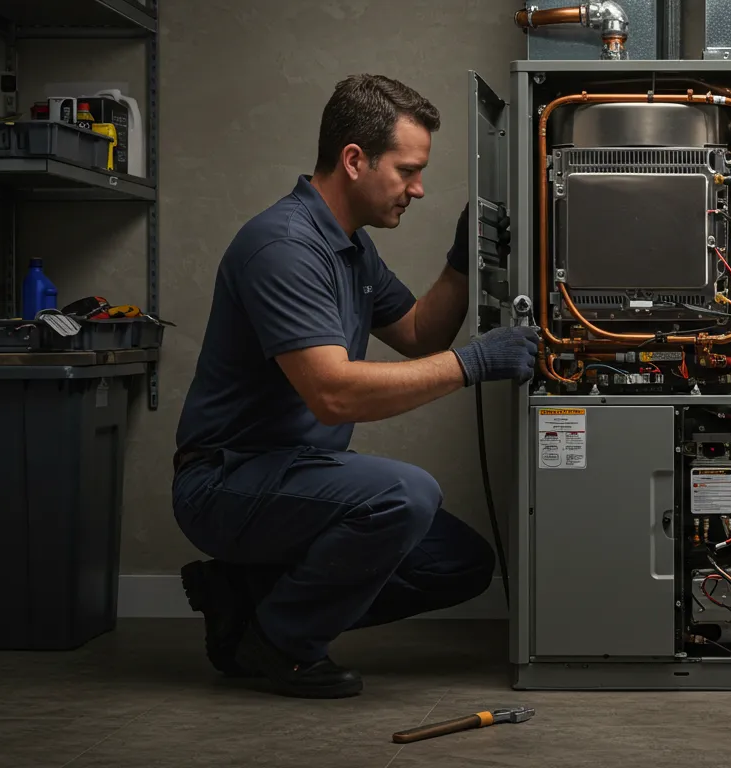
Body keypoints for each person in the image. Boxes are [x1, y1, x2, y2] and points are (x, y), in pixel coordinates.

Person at [170, 74, 538, 699]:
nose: (418, 188)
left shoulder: (350, 248)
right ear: (354, 159)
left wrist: (459, 260)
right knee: (405, 493)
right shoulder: (284, 247)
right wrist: (475, 364)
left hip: (298, 473)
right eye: (408, 170)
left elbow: (420, 333)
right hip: (227, 481)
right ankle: (281, 641)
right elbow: (333, 394)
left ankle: (245, 602)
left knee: (461, 562)